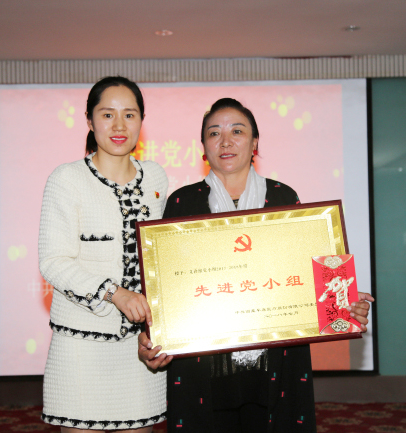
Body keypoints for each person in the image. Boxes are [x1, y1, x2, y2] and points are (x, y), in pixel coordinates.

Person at [138, 97, 374, 433]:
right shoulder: (182, 202)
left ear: (255, 143)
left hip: (275, 366)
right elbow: (169, 285)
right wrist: (154, 334)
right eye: (214, 133)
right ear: (203, 147)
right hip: (204, 368)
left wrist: (343, 303)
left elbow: (306, 278)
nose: (226, 141)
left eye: (237, 131)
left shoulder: (282, 198)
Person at [39, 76, 168, 432]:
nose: (119, 125)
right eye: (107, 114)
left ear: (142, 121)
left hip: (141, 349)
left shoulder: (156, 178)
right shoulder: (66, 179)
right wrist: (116, 293)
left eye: (129, 114)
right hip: (81, 347)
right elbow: (53, 262)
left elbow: (165, 258)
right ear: (89, 120)